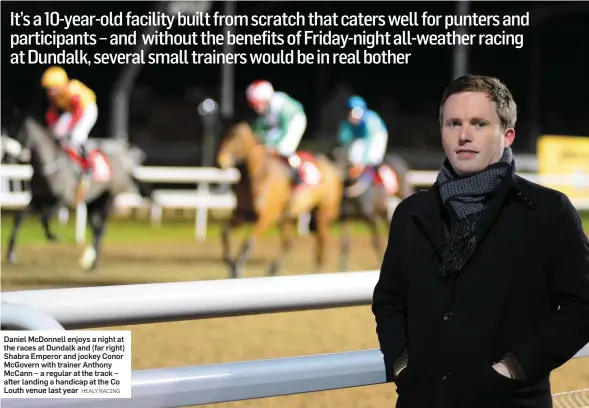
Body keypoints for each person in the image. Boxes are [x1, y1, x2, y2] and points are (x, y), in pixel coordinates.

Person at [371, 74, 589, 408]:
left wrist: (513, 369)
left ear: (508, 135)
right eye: (453, 123)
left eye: (480, 123)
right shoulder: (409, 214)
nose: (464, 135)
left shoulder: (548, 212)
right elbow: (389, 299)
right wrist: (402, 363)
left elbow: (583, 305)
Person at [41, 65, 98, 202]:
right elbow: (52, 113)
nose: (50, 92)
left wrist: (68, 129)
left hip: (87, 109)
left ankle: (87, 165)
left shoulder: (73, 89)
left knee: (77, 136)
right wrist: (52, 128)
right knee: (59, 133)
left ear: (60, 84)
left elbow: (79, 113)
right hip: (72, 112)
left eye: (52, 88)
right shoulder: (55, 95)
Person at [246, 80, 307, 187]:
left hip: (294, 122)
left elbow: (285, 129)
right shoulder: (265, 108)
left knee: (284, 148)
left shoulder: (281, 104)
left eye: (258, 103)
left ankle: (298, 176)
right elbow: (260, 127)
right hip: (279, 126)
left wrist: (275, 144)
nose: (256, 108)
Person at [337, 95, 396, 192]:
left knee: (374, 159)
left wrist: (363, 161)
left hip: (377, 136)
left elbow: (371, 142)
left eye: (355, 112)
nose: (353, 116)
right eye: (350, 112)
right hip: (360, 139)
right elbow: (343, 138)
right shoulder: (346, 122)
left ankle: (388, 188)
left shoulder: (371, 120)